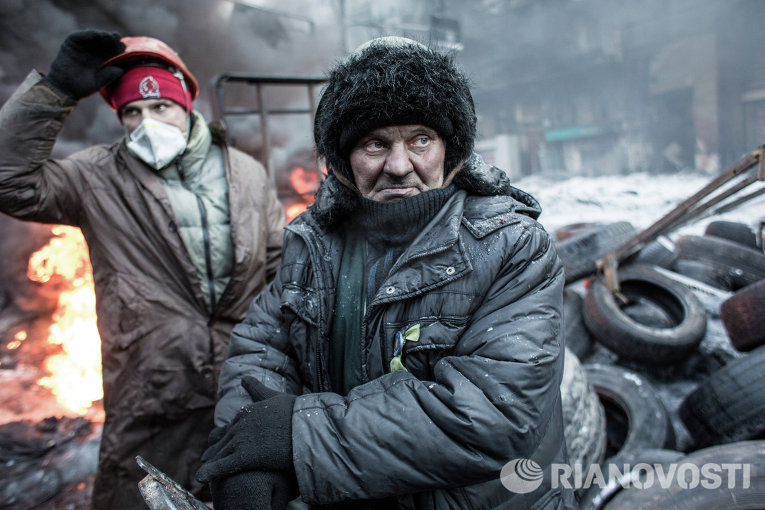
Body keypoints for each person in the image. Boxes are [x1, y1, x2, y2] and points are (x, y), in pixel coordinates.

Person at [197, 37, 574, 510]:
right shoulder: (313, 240)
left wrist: (297, 438)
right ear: (343, 160)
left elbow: (494, 414)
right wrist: (250, 456)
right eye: (375, 143)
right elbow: (262, 348)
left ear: (449, 150)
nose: (398, 166)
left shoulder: (512, 246)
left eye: (420, 139)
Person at [0, 29, 285, 508]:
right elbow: (8, 179)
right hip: (150, 393)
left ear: (187, 104)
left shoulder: (246, 173)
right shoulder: (96, 176)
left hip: (240, 387)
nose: (147, 121)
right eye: (132, 111)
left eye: (160, 107)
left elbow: (277, 266)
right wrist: (55, 93)